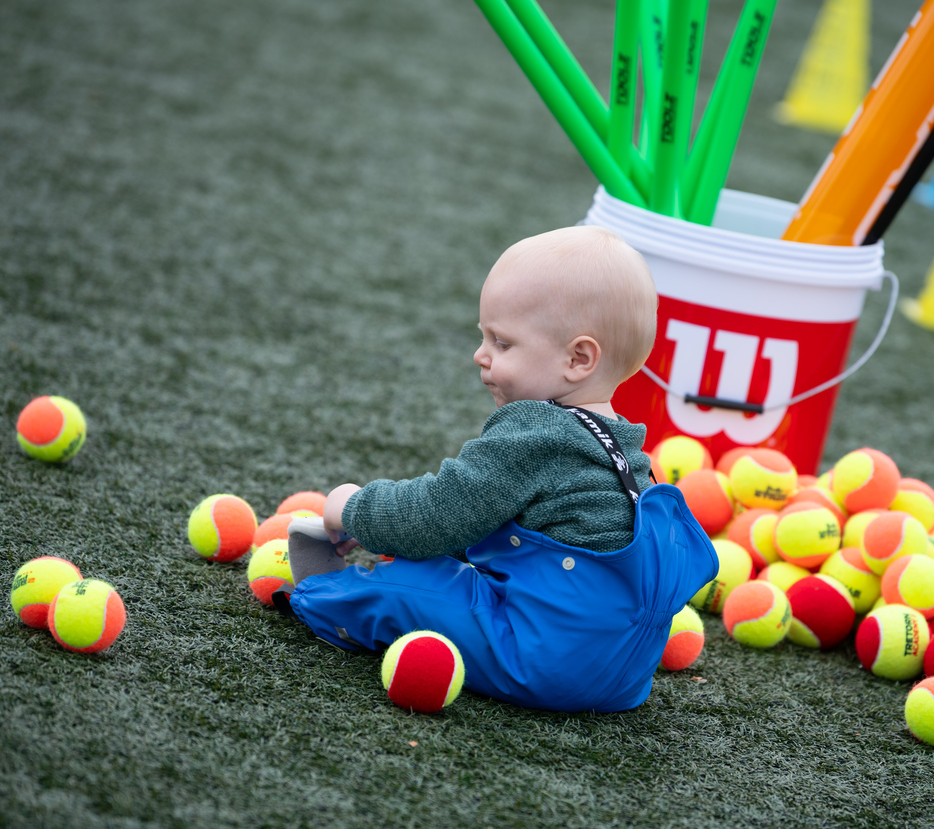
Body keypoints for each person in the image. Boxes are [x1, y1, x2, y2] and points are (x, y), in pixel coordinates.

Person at [279, 225, 717, 712]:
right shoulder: (626, 450)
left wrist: (352, 509)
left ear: (578, 358)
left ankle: (320, 596)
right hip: (625, 681)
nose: (480, 355)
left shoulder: (537, 431)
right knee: (457, 570)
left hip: (543, 659)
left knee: (405, 586)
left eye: (502, 343)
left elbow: (434, 517)